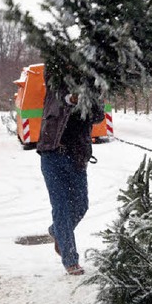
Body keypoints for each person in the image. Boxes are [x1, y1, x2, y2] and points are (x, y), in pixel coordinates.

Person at [37, 65, 105, 275]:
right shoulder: (55, 86)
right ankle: (70, 260)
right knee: (61, 208)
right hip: (52, 153)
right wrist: (70, 98)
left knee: (81, 205)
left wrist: (87, 102)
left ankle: (56, 231)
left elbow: (98, 116)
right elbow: (52, 75)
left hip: (77, 156)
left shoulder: (92, 87)